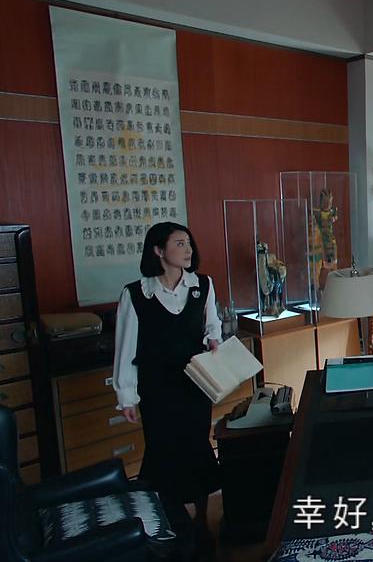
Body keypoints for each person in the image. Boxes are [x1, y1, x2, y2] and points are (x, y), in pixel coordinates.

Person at [112, 222, 222, 550]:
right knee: (164, 452)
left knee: (196, 447)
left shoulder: (202, 285)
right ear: (159, 251)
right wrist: (126, 395)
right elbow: (126, 348)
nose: (188, 250)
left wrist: (213, 339)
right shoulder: (136, 294)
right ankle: (175, 524)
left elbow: (212, 324)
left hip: (195, 384)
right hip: (157, 388)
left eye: (189, 243)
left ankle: (201, 521)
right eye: (179, 244)